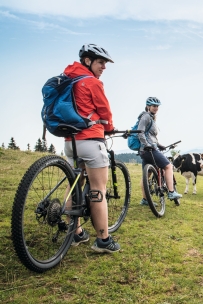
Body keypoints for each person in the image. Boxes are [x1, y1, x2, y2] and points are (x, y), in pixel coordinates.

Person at [63, 43, 120, 253]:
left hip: (71, 142)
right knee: (99, 190)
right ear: (87, 60)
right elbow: (105, 111)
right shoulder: (92, 82)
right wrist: (110, 128)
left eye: (105, 63)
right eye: (100, 62)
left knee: (74, 184)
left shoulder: (69, 79)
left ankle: (76, 232)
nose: (104, 66)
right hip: (90, 140)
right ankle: (103, 240)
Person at [137, 97, 182, 205]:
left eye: (157, 106)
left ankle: (145, 199)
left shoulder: (150, 117)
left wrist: (159, 145)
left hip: (145, 150)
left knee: (146, 175)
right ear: (148, 106)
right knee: (168, 166)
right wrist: (147, 145)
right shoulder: (146, 116)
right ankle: (171, 192)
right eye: (153, 106)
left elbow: (150, 135)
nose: (156, 108)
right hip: (149, 149)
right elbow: (140, 132)